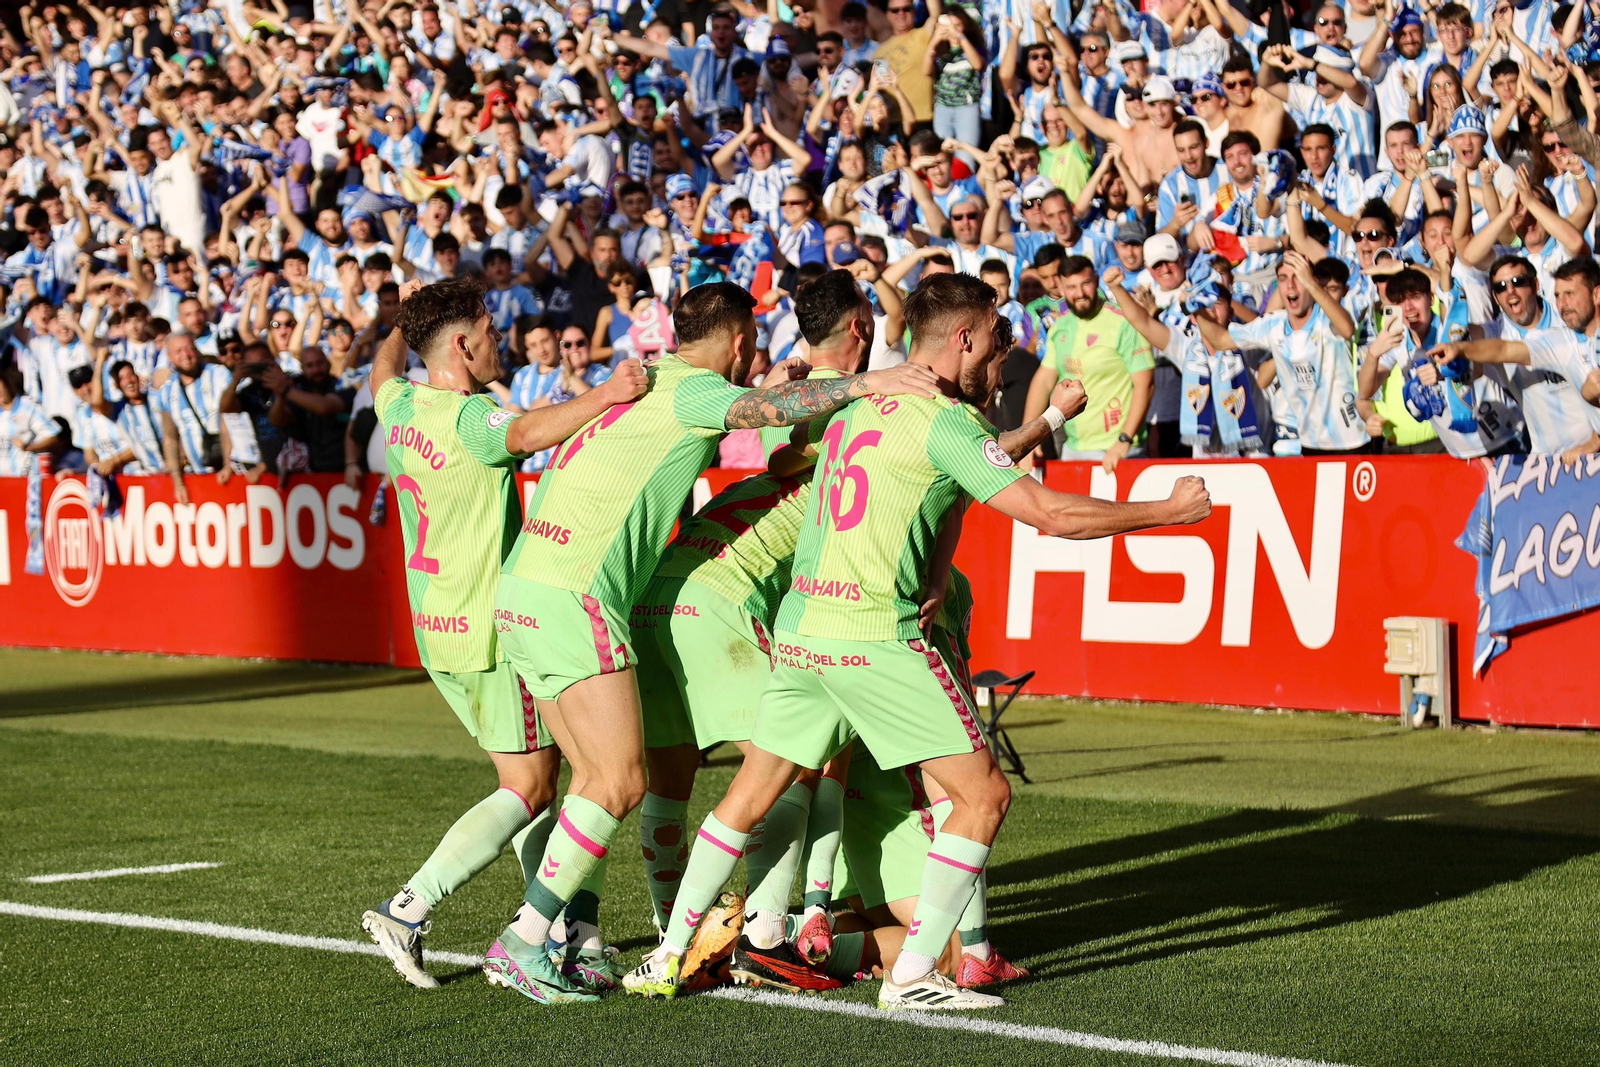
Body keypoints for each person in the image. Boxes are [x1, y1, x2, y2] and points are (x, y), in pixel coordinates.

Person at [624, 273, 1210, 1009]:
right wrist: (1165, 510)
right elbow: (1047, 513)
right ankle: (914, 975)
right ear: (963, 338)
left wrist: (934, 559)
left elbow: (845, 474)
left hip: (804, 630)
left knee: (748, 795)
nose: (1004, 360)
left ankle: (670, 955)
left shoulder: (860, 402)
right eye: (998, 343)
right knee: (984, 795)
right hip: (876, 636)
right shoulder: (946, 421)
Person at [486, 281, 943, 1005]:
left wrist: (773, 389)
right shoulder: (698, 391)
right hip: (585, 595)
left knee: (612, 781)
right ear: (737, 341)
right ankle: (747, 929)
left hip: (526, 587)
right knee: (686, 774)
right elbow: (759, 415)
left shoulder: (653, 382)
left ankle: (605, 930)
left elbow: (751, 417)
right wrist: (871, 380)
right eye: (752, 346)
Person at [361, 277, 648, 997]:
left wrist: (398, 316)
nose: (502, 342)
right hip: (491, 629)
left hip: (437, 630)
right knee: (536, 785)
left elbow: (382, 367)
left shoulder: (398, 405)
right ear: (461, 344)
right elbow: (522, 433)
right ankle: (410, 906)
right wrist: (609, 395)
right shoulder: (470, 418)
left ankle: (563, 929)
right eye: (490, 331)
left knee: (543, 781)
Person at [1023, 255, 1155, 469]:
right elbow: (1044, 381)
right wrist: (1028, 438)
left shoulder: (1124, 322)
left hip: (1117, 451)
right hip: (1074, 449)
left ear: (1096, 280)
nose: (1080, 294)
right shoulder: (1060, 327)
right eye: (1071, 287)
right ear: (1062, 289)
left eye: (1085, 284)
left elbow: (1145, 384)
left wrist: (1125, 440)